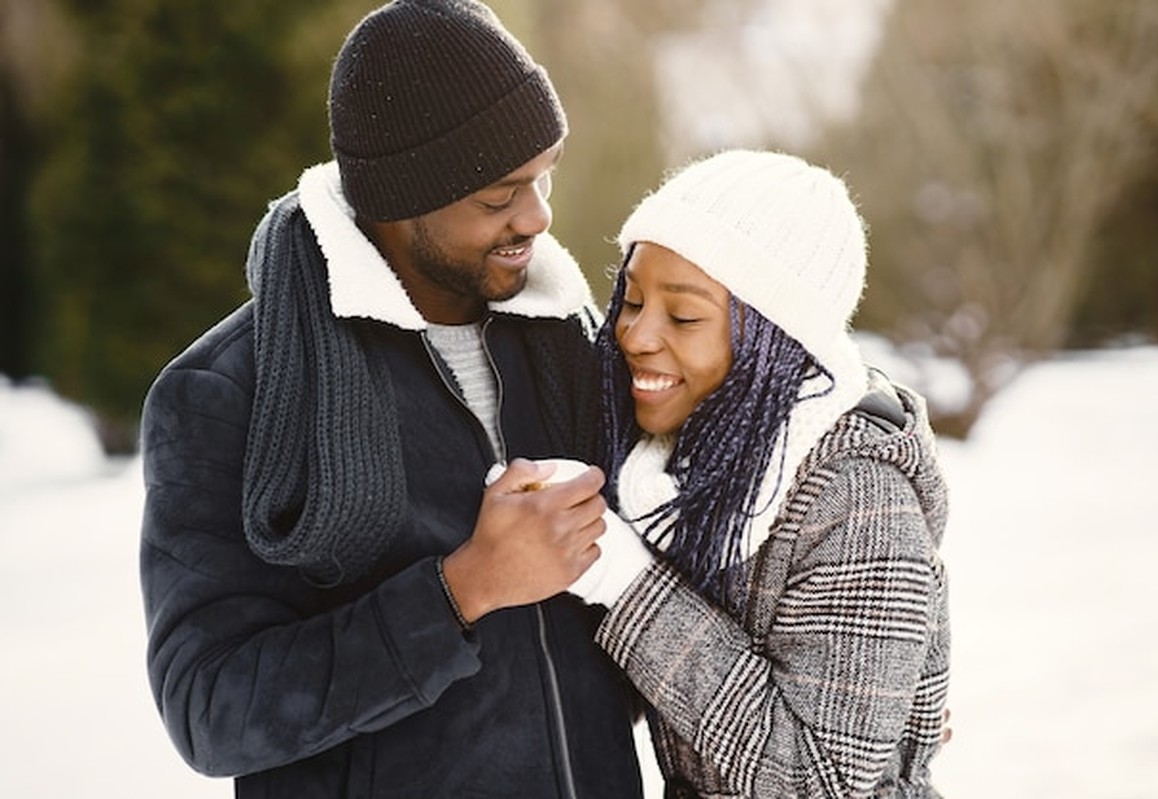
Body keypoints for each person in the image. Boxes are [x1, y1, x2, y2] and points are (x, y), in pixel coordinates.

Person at [137, 2, 644, 797]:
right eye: (500, 196)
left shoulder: (571, 347)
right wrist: (463, 589)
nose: (538, 216)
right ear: (400, 202)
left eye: (544, 175)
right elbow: (211, 708)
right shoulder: (226, 392)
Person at [567, 150, 952, 797]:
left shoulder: (856, 496)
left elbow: (821, 780)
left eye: (683, 316)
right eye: (631, 300)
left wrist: (627, 582)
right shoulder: (675, 464)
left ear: (775, 336)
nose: (634, 335)